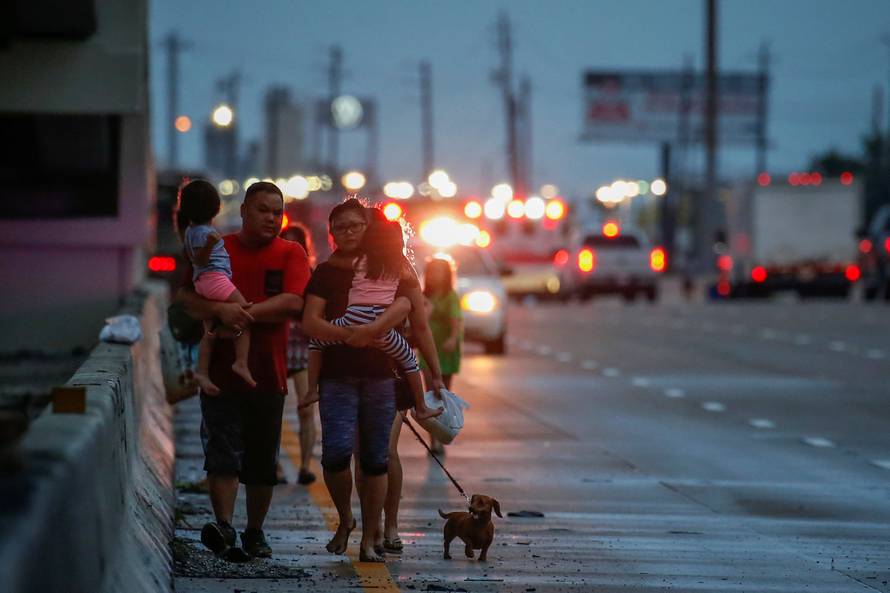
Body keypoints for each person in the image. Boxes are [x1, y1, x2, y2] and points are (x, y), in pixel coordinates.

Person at [302, 198, 445, 563]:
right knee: (335, 456)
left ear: (368, 228)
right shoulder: (326, 272)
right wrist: (346, 334)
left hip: (384, 376)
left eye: (355, 225)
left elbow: (419, 324)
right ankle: (346, 519)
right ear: (331, 234)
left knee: (377, 459)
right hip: (337, 377)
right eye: (340, 227)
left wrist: (436, 374)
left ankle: (373, 535)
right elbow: (310, 323)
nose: (348, 232)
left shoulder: (395, 267)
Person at [176, 181, 309, 561]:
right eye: (264, 209)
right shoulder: (221, 246)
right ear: (245, 211)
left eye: (277, 211)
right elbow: (186, 297)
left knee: (262, 463)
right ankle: (224, 526)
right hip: (218, 377)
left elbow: (294, 302)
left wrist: (241, 313)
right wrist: (219, 310)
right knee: (220, 454)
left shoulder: (291, 252)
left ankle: (255, 532)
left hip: (269, 372)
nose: (272, 217)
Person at [302, 217, 442, 422]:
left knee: (316, 343)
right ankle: (421, 407)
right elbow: (416, 308)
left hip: (352, 318)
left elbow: (336, 262)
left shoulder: (357, 261)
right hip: (382, 329)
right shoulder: (399, 267)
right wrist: (436, 376)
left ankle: (311, 390)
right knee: (410, 360)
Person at [179, 179, 256, 395]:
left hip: (204, 282)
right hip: (214, 279)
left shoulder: (190, 231)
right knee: (245, 315)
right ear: (215, 207)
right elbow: (200, 260)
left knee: (209, 332)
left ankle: (202, 372)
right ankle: (241, 362)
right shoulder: (204, 233)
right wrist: (212, 244)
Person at [280, 222, 318, 485]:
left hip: (304, 349)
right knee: (271, 411)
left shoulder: (312, 275)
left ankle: (305, 466)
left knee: (306, 409)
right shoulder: (272, 272)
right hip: (276, 345)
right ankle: (274, 467)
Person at [419, 257, 463, 454]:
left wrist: (453, 339)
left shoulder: (450, 296)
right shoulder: (422, 295)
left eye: (440, 272)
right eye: (432, 272)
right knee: (430, 396)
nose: (435, 276)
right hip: (428, 350)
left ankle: (442, 434)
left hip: (446, 350)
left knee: (443, 394)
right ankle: (433, 441)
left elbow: (456, 320)